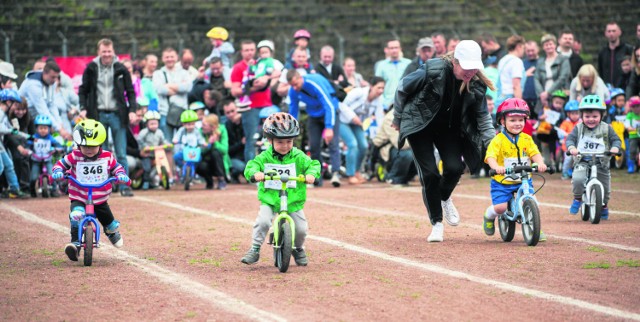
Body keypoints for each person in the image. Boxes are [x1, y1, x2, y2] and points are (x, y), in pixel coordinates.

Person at [392, 40, 496, 242]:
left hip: (448, 129)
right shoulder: (433, 70)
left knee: (455, 168)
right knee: (429, 174)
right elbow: (402, 87)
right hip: (420, 125)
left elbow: (483, 118)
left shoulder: (476, 84)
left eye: (474, 68)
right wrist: (397, 118)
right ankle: (437, 223)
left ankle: (444, 197)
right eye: (466, 67)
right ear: (455, 62)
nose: (470, 72)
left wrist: (493, 145)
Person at [240, 112, 320, 266]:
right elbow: (252, 165)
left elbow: (313, 164)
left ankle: (297, 248)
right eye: (280, 142)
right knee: (263, 221)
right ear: (270, 140)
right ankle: (255, 249)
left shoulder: (298, 156)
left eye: (289, 141)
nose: (285, 146)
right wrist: (255, 173)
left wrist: (311, 174)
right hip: (270, 198)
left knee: (301, 228)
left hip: (292, 199)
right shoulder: (265, 157)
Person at [51, 119, 130, 261]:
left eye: (93, 146)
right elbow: (60, 164)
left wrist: (121, 175)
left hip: (99, 197)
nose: (88, 149)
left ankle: (111, 232)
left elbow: (117, 167)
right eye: (85, 145)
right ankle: (75, 244)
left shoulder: (107, 156)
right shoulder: (74, 156)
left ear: (100, 144)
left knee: (107, 218)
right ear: (79, 144)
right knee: (76, 215)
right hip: (79, 196)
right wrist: (58, 171)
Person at [77, 38, 138, 197]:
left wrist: (132, 110)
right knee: (99, 153)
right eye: (104, 51)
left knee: (121, 152)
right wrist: (83, 108)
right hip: (97, 115)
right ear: (99, 52)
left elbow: (130, 92)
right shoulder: (91, 68)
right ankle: (102, 186)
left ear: (113, 51)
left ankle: (124, 186)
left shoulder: (121, 68)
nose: (106, 54)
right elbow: (83, 90)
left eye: (109, 51)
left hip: (118, 114)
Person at [483, 98, 547, 239]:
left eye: (521, 120)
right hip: (502, 181)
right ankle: (488, 216)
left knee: (533, 201)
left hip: (523, 179)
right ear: (502, 121)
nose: (517, 123)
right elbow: (490, 156)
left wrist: (540, 163)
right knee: (500, 208)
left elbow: (534, 153)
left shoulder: (527, 139)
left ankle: (534, 226)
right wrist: (496, 167)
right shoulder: (498, 140)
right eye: (512, 120)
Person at [566, 95, 621, 219]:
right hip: (583, 160)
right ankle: (578, 198)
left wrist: (614, 148)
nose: (591, 119)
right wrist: (572, 148)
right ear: (582, 116)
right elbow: (570, 139)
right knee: (578, 179)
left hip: (601, 162)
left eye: (595, 116)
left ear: (602, 115)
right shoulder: (578, 128)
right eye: (587, 116)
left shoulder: (607, 128)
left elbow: (616, 140)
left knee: (605, 187)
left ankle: (604, 205)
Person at [287, 69, 342, 187]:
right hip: (314, 115)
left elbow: (329, 105)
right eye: (292, 85)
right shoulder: (293, 91)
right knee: (314, 146)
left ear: (300, 78)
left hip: (330, 111)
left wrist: (329, 127)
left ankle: (336, 173)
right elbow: (293, 109)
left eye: (296, 84)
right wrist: (291, 126)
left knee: (332, 142)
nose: (295, 88)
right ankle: (317, 176)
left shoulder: (313, 83)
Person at [230, 40, 275, 163]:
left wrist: (266, 78)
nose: (250, 53)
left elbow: (277, 72)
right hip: (250, 107)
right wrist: (253, 87)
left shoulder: (262, 63)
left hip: (267, 105)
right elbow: (235, 91)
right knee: (252, 139)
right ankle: (252, 171)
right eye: (246, 50)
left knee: (271, 138)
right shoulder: (238, 68)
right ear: (241, 52)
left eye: (252, 50)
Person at [339, 77, 385, 184]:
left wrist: (380, 134)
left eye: (383, 88)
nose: (381, 91)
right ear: (371, 86)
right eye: (378, 88)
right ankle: (350, 175)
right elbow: (342, 104)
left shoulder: (379, 100)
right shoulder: (358, 92)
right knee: (353, 144)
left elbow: (380, 118)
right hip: (343, 120)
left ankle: (356, 172)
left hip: (358, 124)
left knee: (364, 146)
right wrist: (353, 117)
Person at [18, 60, 71, 140]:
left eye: (57, 77)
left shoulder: (52, 82)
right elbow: (43, 110)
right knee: (30, 141)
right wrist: (59, 129)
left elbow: (52, 104)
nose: (55, 80)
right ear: (44, 73)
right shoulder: (33, 84)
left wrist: (60, 123)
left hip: (37, 116)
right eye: (53, 77)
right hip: (24, 116)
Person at [153, 47, 193, 142]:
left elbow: (187, 87)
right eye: (167, 57)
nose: (169, 59)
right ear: (162, 59)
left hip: (181, 111)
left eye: (172, 56)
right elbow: (159, 89)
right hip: (165, 112)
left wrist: (169, 85)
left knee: (183, 142)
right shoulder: (158, 74)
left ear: (177, 58)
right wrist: (179, 87)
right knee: (167, 143)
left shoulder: (184, 72)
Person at [372, 110, 416, 186]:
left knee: (424, 154)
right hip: (386, 150)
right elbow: (401, 145)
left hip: (404, 147)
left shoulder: (414, 115)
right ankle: (393, 177)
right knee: (408, 154)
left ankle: (405, 177)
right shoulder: (390, 118)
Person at [0, 89, 30, 198]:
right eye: (14, 103)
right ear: (8, 102)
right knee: (1, 166)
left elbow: (11, 129)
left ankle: (14, 188)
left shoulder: (4, 113)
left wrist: (26, 136)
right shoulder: (1, 112)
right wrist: (11, 131)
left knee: (8, 165)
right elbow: (4, 129)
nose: (14, 107)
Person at [27, 115, 65, 197]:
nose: (43, 130)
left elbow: (58, 145)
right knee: (33, 177)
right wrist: (28, 150)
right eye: (41, 128)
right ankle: (32, 190)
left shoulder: (50, 138)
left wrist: (59, 148)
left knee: (52, 174)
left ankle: (54, 190)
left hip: (47, 159)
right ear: (36, 128)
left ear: (49, 129)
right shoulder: (34, 138)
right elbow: (28, 145)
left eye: (45, 128)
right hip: (36, 159)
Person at [534, 34, 572, 111]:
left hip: (559, 95)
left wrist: (548, 93)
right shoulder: (540, 61)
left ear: (555, 45)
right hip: (543, 96)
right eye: (546, 45)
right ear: (543, 47)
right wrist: (541, 94)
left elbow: (563, 78)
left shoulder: (563, 59)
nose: (548, 46)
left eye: (550, 44)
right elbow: (536, 78)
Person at [375, 39, 411, 110]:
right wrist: (382, 104)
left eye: (396, 47)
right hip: (386, 104)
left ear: (400, 49)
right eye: (391, 48)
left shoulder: (409, 63)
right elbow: (376, 86)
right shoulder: (381, 65)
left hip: (405, 103)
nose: (394, 50)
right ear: (387, 50)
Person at [137, 110, 166, 190]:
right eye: (151, 124)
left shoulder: (160, 132)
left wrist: (166, 144)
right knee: (147, 168)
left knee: (161, 165)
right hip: (147, 154)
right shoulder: (144, 132)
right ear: (147, 124)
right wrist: (144, 147)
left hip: (156, 154)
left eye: (155, 123)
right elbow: (139, 140)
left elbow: (163, 141)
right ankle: (146, 182)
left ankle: (159, 181)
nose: (154, 126)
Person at [200, 113, 230, 189]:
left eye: (204, 125)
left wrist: (215, 143)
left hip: (221, 164)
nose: (202, 126)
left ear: (212, 127)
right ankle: (209, 182)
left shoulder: (222, 130)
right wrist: (209, 144)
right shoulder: (200, 132)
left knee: (215, 153)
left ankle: (222, 179)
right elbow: (200, 151)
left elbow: (225, 150)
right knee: (201, 165)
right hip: (207, 161)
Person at [495, 35, 526, 107]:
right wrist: (520, 106)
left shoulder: (502, 60)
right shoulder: (516, 61)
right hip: (511, 99)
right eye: (523, 48)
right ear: (519, 46)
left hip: (501, 98)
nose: (524, 51)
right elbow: (516, 85)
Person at [222, 100, 246, 183]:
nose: (231, 114)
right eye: (227, 113)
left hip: (247, 156)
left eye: (232, 111)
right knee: (242, 167)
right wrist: (241, 143)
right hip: (233, 158)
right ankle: (233, 174)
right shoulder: (225, 127)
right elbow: (227, 149)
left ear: (237, 109)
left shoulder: (245, 122)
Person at [559, 100, 581, 179]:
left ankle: (577, 173)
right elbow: (560, 131)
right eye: (573, 113)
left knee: (578, 160)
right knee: (568, 160)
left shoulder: (581, 122)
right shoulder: (566, 122)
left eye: (577, 113)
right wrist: (566, 134)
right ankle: (564, 172)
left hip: (579, 147)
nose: (575, 116)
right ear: (568, 114)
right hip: (567, 147)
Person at [523, 40, 540, 116]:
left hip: (539, 101)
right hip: (525, 101)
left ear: (538, 49)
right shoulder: (521, 63)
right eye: (528, 51)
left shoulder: (543, 62)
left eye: (532, 50)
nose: (530, 53)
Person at [625, 96, 640, 173]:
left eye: (638, 106)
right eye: (634, 106)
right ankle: (631, 166)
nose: (636, 108)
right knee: (632, 151)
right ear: (631, 107)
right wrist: (631, 128)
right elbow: (627, 125)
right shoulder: (629, 115)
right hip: (633, 136)